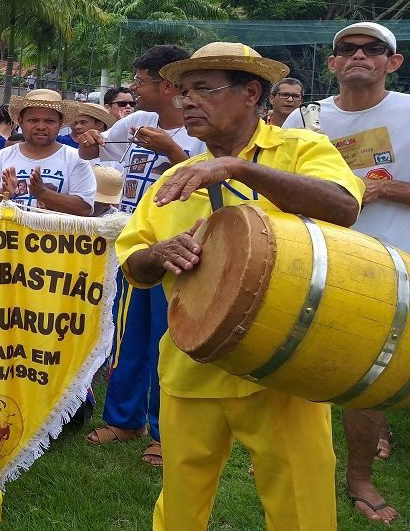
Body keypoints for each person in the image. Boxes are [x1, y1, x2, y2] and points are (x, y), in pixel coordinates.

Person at [117, 41, 363, 530]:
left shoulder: (301, 149)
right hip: (192, 363)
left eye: (203, 90)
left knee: (302, 505)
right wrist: (158, 255)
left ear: (251, 92)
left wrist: (238, 167)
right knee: (180, 508)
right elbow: (133, 263)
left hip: (284, 364)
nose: (187, 101)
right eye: (184, 91)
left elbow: (342, 205)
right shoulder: (179, 176)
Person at [282, 22, 406, 525]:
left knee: (366, 376)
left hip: (390, 267)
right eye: (346, 49)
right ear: (332, 63)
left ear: (391, 63)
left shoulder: (408, 113)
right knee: (291, 360)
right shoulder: (304, 119)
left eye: (373, 49)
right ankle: (284, 455)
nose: (359, 55)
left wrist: (382, 189)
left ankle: (359, 478)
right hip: (313, 259)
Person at [77, 45, 203, 466]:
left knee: (169, 342)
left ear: (167, 85)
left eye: (140, 82)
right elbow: (93, 155)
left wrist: (173, 152)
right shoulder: (137, 121)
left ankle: (168, 431)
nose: (134, 89)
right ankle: (124, 419)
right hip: (134, 245)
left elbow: (216, 186)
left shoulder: (198, 130)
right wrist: (90, 142)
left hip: (180, 247)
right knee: (127, 334)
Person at [0, 89, 95, 215]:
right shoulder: (0, 157)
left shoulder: (75, 159)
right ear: (20, 121)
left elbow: (85, 208)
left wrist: (43, 193)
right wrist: (3, 192)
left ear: (60, 124)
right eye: (33, 120)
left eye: (49, 121)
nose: (41, 126)